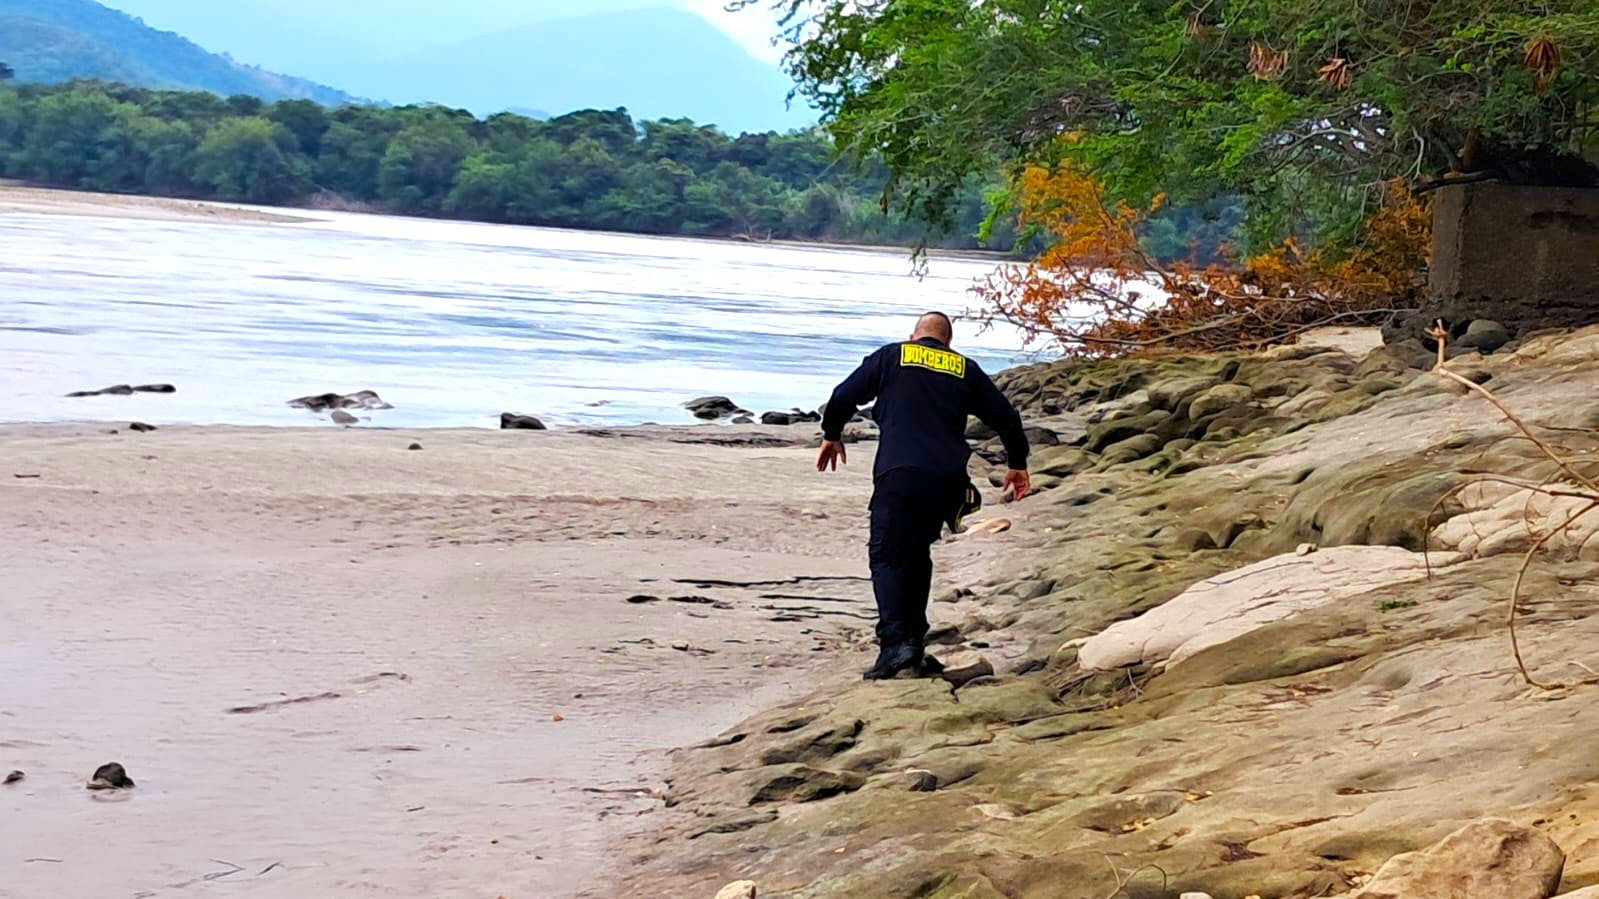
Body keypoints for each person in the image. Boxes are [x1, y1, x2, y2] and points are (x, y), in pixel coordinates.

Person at [817, 311, 1030, 680]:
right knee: (916, 554)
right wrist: (1017, 463)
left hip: (899, 473)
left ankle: (895, 646)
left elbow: (842, 397)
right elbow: (1007, 418)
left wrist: (831, 433)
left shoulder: (891, 357)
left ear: (913, 336)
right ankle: (913, 644)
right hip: (946, 481)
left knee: (887, 555)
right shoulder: (964, 368)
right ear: (947, 343)